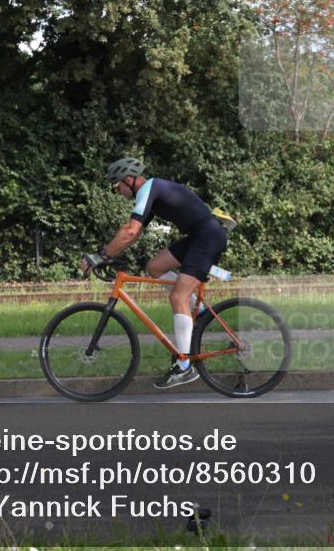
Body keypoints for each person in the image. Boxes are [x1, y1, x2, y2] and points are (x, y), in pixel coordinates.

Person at [82, 157, 229, 389]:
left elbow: (130, 231)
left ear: (128, 180)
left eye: (116, 186)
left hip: (206, 238)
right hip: (199, 236)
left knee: (177, 297)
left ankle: (184, 366)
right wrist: (109, 254)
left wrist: (100, 256)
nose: (117, 192)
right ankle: (199, 313)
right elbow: (134, 234)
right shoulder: (151, 192)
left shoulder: (149, 188)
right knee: (155, 267)